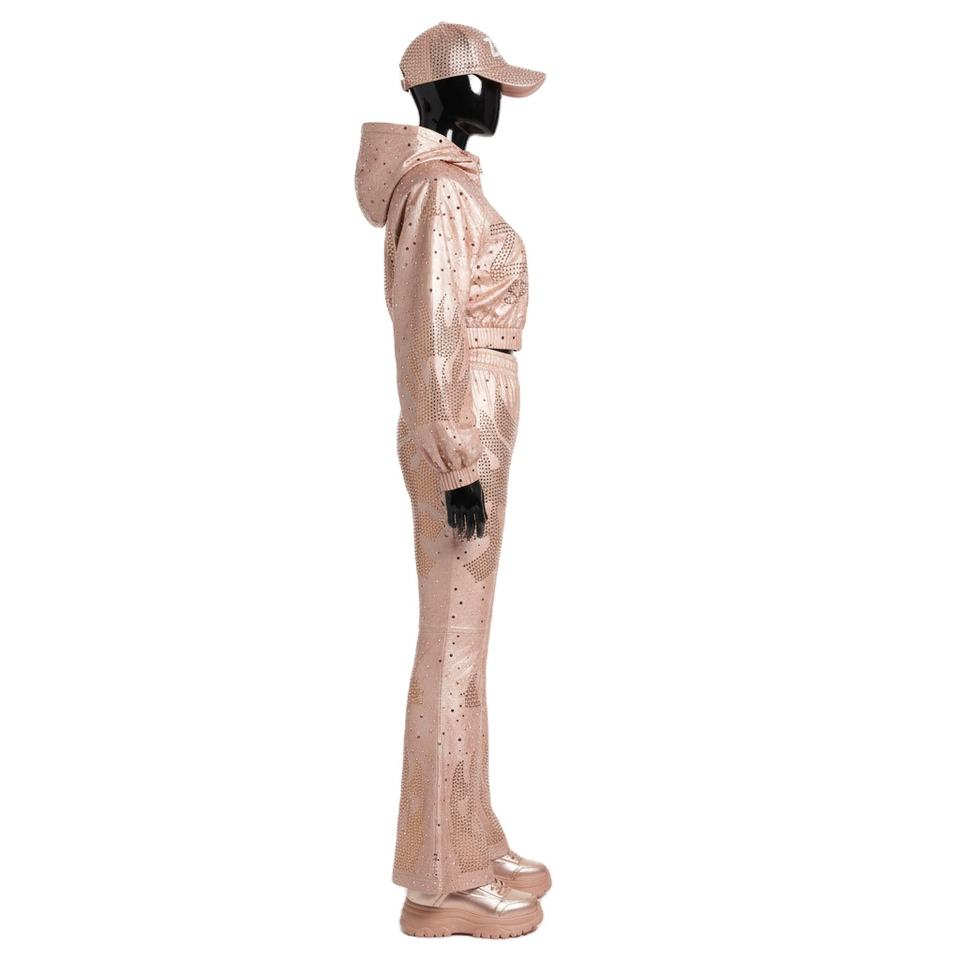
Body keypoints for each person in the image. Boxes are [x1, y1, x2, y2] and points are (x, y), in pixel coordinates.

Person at [354, 22, 551, 938]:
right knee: (454, 643)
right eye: (485, 84)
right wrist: (459, 459)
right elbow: (427, 336)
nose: (496, 101)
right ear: (445, 91)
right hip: (459, 425)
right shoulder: (437, 191)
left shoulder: (448, 184)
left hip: (473, 410)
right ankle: (441, 883)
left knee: (465, 639)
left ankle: (468, 834)